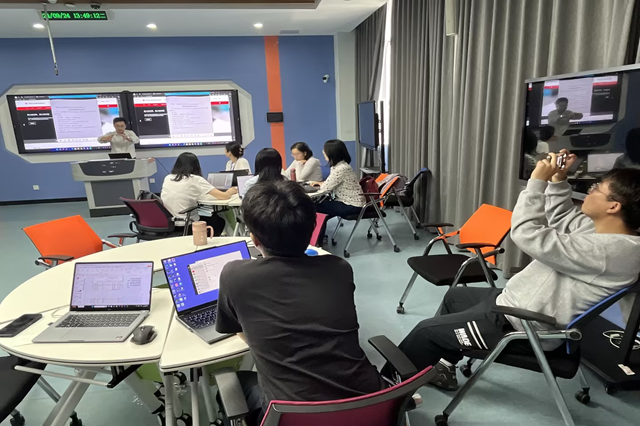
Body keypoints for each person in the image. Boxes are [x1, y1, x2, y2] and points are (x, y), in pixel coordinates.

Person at [389, 150, 640, 391]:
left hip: (521, 326)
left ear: (613, 207)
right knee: (454, 297)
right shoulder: (606, 233)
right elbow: (563, 218)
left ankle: (386, 394)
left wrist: (536, 182)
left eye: (597, 188)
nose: (590, 190)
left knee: (425, 332)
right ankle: (444, 365)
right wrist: (559, 179)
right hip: (514, 304)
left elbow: (527, 234)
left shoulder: (611, 253)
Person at [216, 180, 385, 425]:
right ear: (311, 231)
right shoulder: (339, 268)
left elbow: (237, 330)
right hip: (369, 406)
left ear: (254, 238)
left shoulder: (234, 275)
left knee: (237, 383)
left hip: (291, 414)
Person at [161, 152, 237, 236]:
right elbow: (224, 196)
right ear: (196, 166)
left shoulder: (168, 178)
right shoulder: (195, 179)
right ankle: (205, 241)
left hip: (170, 223)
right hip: (188, 224)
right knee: (219, 221)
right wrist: (231, 191)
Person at [310, 139, 365, 219]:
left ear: (332, 153)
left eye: (325, 151)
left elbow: (325, 189)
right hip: (347, 202)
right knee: (319, 205)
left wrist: (323, 184)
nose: (323, 152)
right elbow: (333, 183)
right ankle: (321, 225)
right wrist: (322, 183)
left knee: (314, 207)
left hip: (352, 205)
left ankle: (319, 226)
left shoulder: (341, 168)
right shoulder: (339, 165)